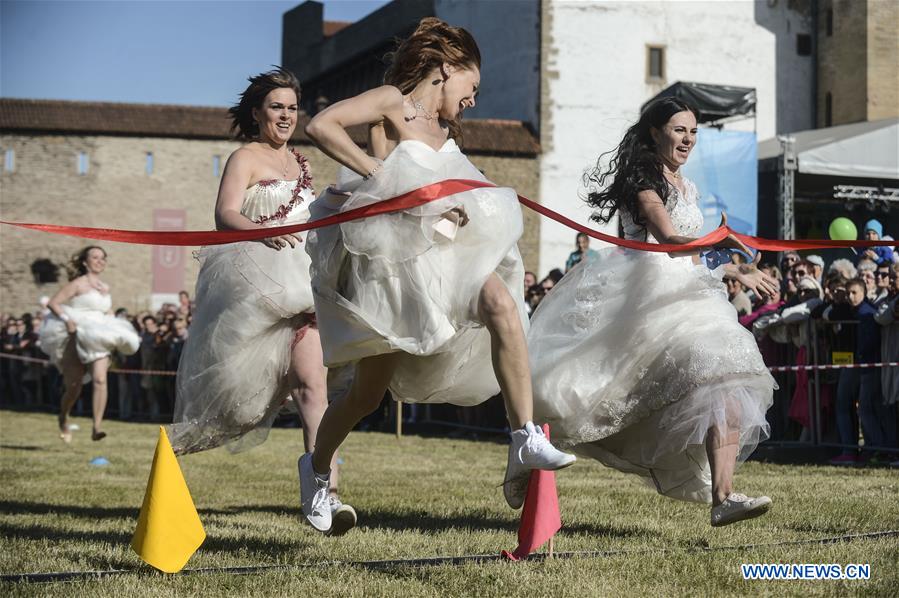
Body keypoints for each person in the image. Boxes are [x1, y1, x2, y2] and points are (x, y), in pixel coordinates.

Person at [301, 17, 574, 532]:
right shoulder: (391, 102)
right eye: (473, 85)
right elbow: (321, 127)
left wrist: (457, 212)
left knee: (502, 304)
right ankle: (316, 470)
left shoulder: (449, 134)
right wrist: (379, 173)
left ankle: (524, 439)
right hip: (396, 268)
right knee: (366, 394)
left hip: (449, 258)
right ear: (448, 69)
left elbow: (445, 195)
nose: (474, 99)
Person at [528, 98, 778, 527]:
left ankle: (724, 496)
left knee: (730, 378)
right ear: (654, 132)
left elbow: (692, 257)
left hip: (694, 296)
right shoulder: (641, 179)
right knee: (595, 397)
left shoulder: (689, 186)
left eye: (694, 131)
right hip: (648, 297)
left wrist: (735, 267)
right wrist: (719, 242)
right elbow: (666, 238)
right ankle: (527, 450)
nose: (689, 139)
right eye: (680, 130)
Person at [167, 68, 356, 536]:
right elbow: (225, 213)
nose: (287, 115)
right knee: (246, 398)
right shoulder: (244, 157)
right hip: (258, 283)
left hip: (304, 282)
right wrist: (262, 231)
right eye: (277, 107)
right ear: (257, 113)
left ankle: (324, 491)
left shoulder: (301, 162)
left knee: (315, 385)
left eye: (292, 107)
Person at [39, 246, 140, 442]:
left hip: (99, 337)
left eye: (103, 258)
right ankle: (63, 417)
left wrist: (112, 318)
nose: (100, 261)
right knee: (74, 386)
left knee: (100, 379)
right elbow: (53, 303)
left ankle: (97, 426)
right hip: (77, 334)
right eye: (95, 257)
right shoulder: (78, 284)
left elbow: (103, 309)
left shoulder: (104, 287)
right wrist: (67, 320)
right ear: (85, 262)